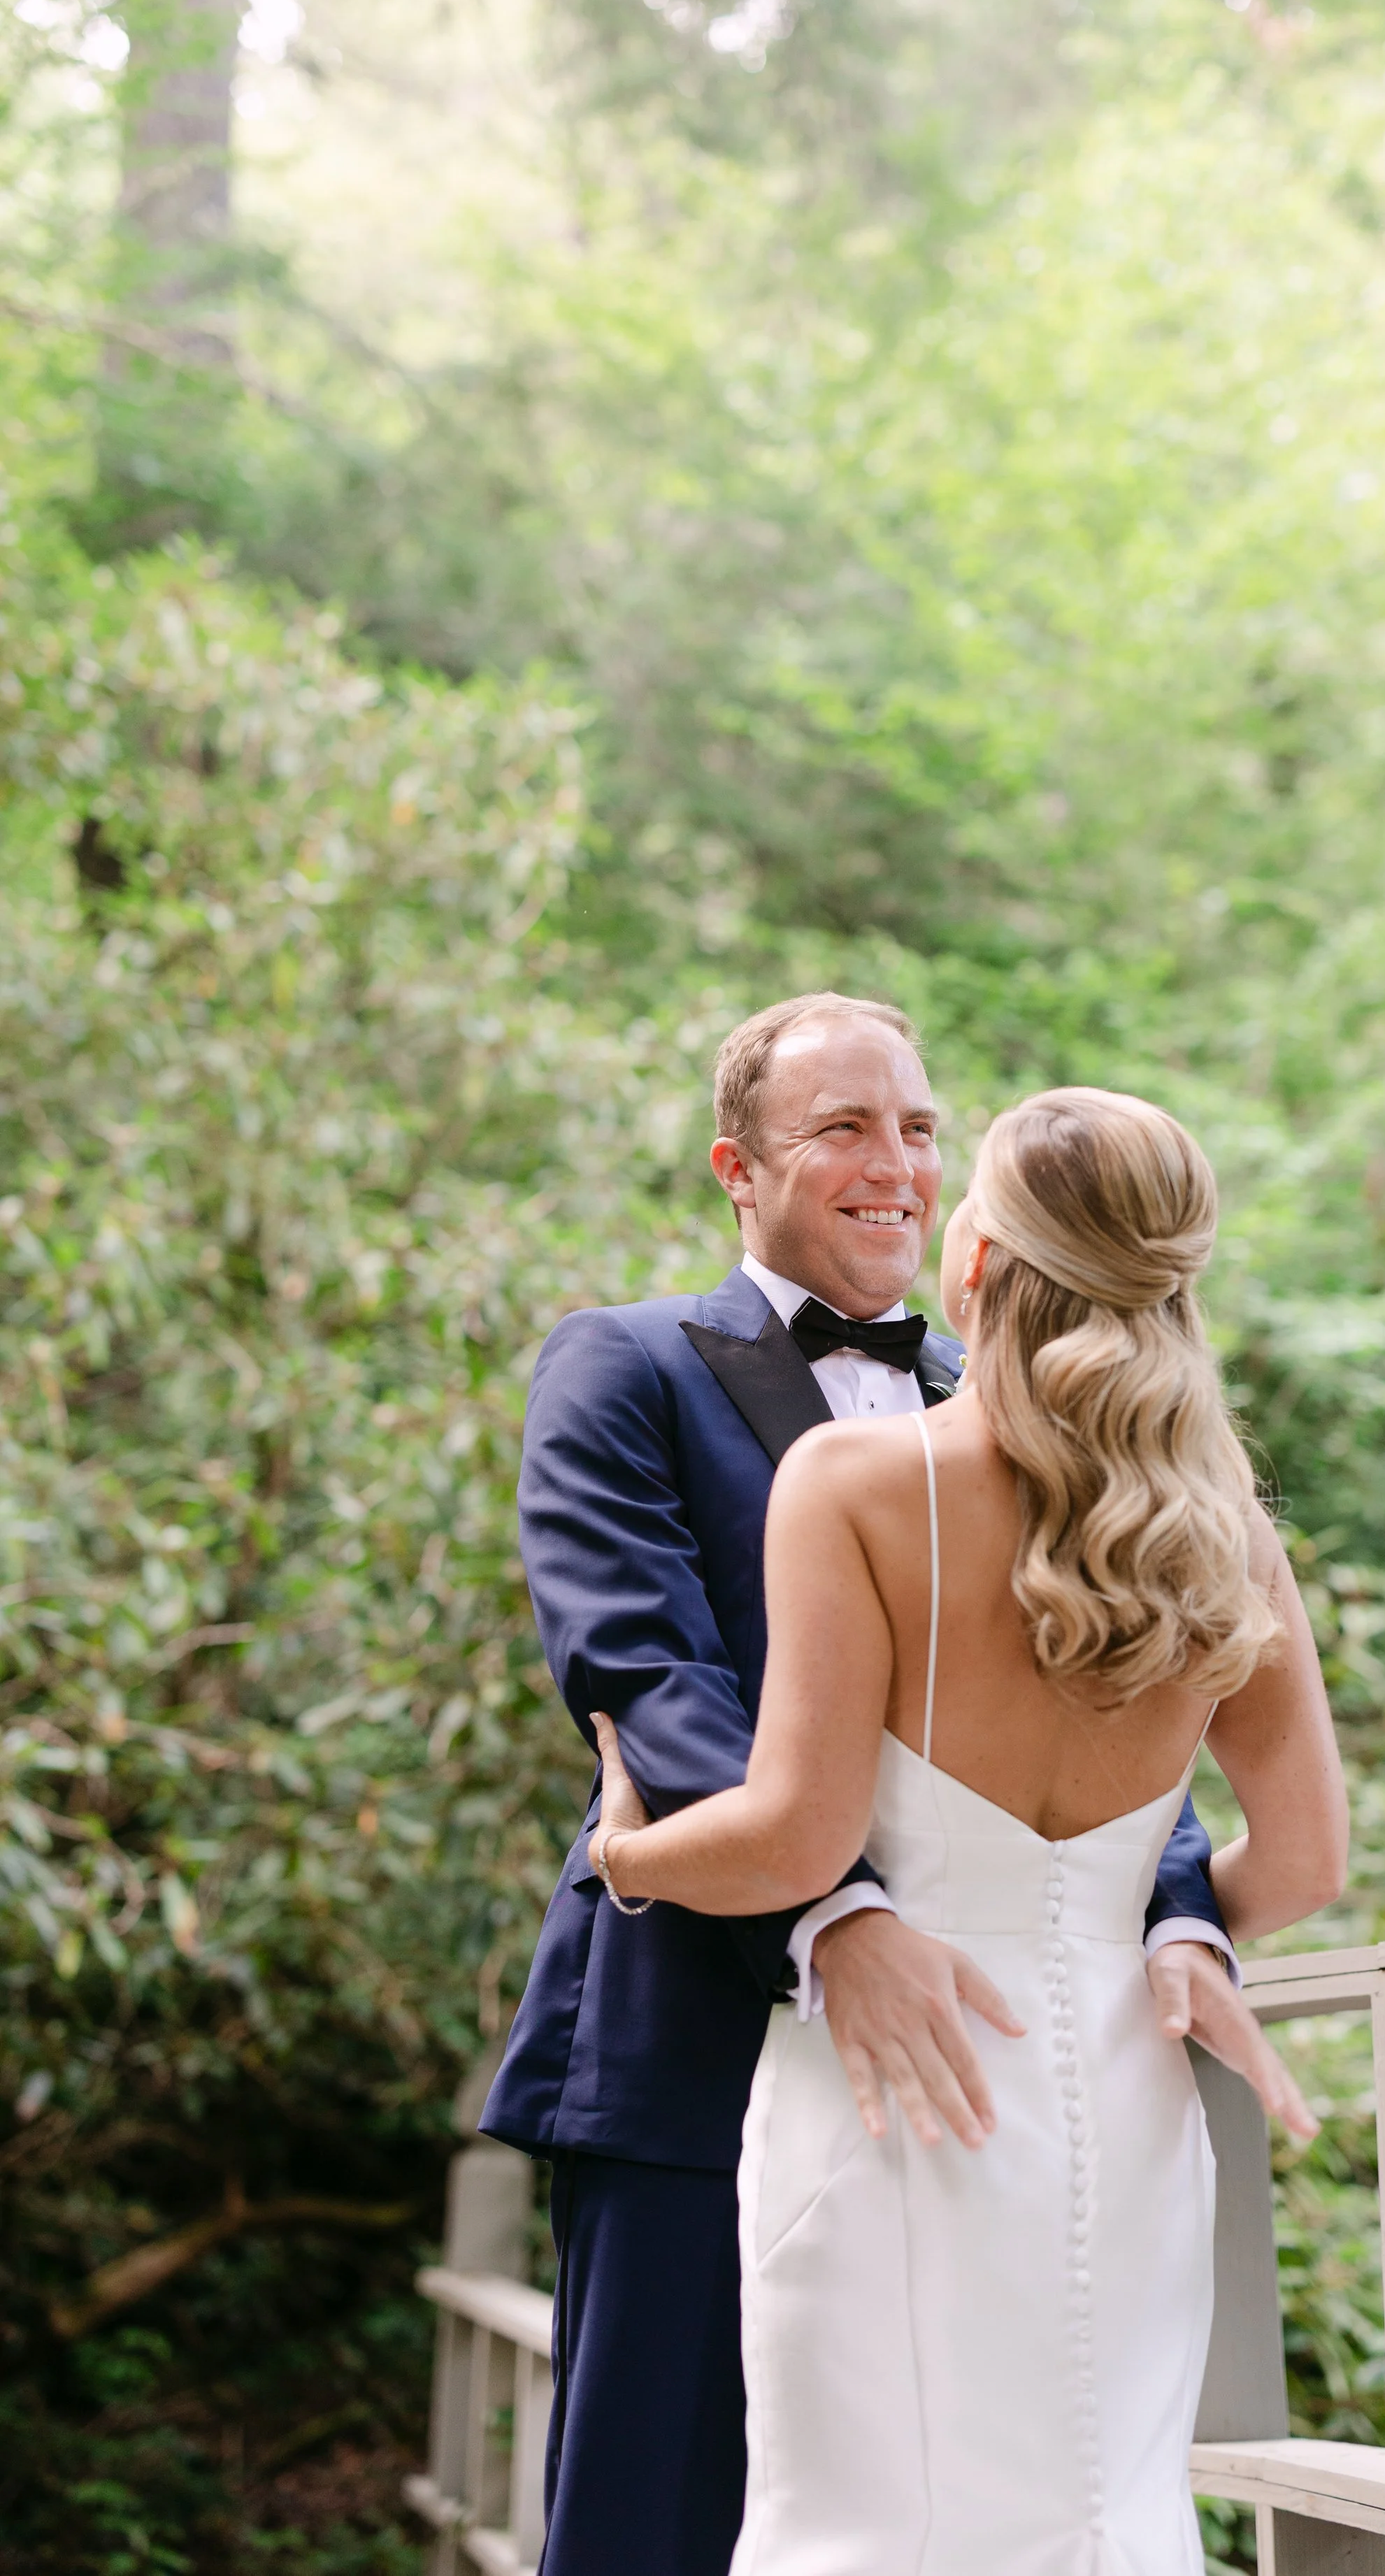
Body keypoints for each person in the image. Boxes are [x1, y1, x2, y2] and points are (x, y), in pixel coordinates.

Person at [481, 1000, 1275, 2576]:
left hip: (984, 2092)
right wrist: (831, 1909)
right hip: (695, 2041)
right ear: (738, 1166)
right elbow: (649, 1685)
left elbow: (1114, 1674)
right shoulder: (622, 1364)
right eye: (841, 1128)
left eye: (917, 1128)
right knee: (652, 2529)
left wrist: (1175, 1914)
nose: (894, 1164)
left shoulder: (1029, 1391)